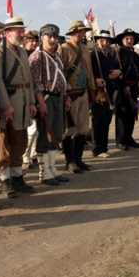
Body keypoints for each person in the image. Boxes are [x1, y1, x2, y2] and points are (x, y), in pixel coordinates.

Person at [0, 16, 37, 198]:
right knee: (4, 143)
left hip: (23, 101)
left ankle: (17, 178)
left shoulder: (23, 52)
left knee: (20, 141)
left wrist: (31, 101)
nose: (22, 33)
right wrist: (5, 104)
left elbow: (29, 80)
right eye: (18, 30)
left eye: (22, 30)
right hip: (8, 102)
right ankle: (5, 181)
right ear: (7, 33)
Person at [28, 24, 70, 185]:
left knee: (56, 134)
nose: (53, 40)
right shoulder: (37, 57)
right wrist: (40, 102)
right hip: (45, 99)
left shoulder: (57, 57)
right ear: (42, 38)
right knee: (45, 135)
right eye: (49, 36)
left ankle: (53, 169)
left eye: (55, 36)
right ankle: (44, 173)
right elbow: (35, 82)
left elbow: (62, 79)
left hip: (58, 98)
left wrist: (65, 97)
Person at [60, 20, 96, 173]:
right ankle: (70, 161)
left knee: (83, 129)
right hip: (70, 94)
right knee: (70, 129)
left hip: (83, 92)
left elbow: (89, 72)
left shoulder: (85, 49)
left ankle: (79, 159)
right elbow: (60, 72)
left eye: (83, 31)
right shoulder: (63, 49)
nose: (82, 34)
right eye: (79, 31)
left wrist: (92, 89)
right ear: (73, 32)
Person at [90, 30, 121, 157]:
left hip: (111, 90)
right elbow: (89, 72)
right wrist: (95, 80)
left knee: (107, 119)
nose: (105, 43)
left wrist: (118, 72)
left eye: (107, 41)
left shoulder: (112, 54)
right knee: (98, 120)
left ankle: (104, 146)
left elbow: (119, 68)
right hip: (98, 92)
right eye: (102, 40)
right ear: (97, 41)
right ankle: (97, 148)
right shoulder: (93, 55)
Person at [115, 28, 139, 150]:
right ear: (122, 40)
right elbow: (117, 71)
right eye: (127, 38)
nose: (129, 40)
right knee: (122, 114)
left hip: (133, 87)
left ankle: (129, 138)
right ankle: (121, 140)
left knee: (131, 113)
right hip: (122, 88)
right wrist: (123, 86)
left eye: (131, 39)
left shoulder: (134, 54)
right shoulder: (118, 53)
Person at [22, 30, 40, 170]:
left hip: (36, 95)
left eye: (35, 40)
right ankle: (25, 157)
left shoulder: (37, 56)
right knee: (31, 130)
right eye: (30, 40)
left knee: (36, 130)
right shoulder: (22, 55)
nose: (33, 43)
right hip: (24, 96)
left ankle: (32, 155)